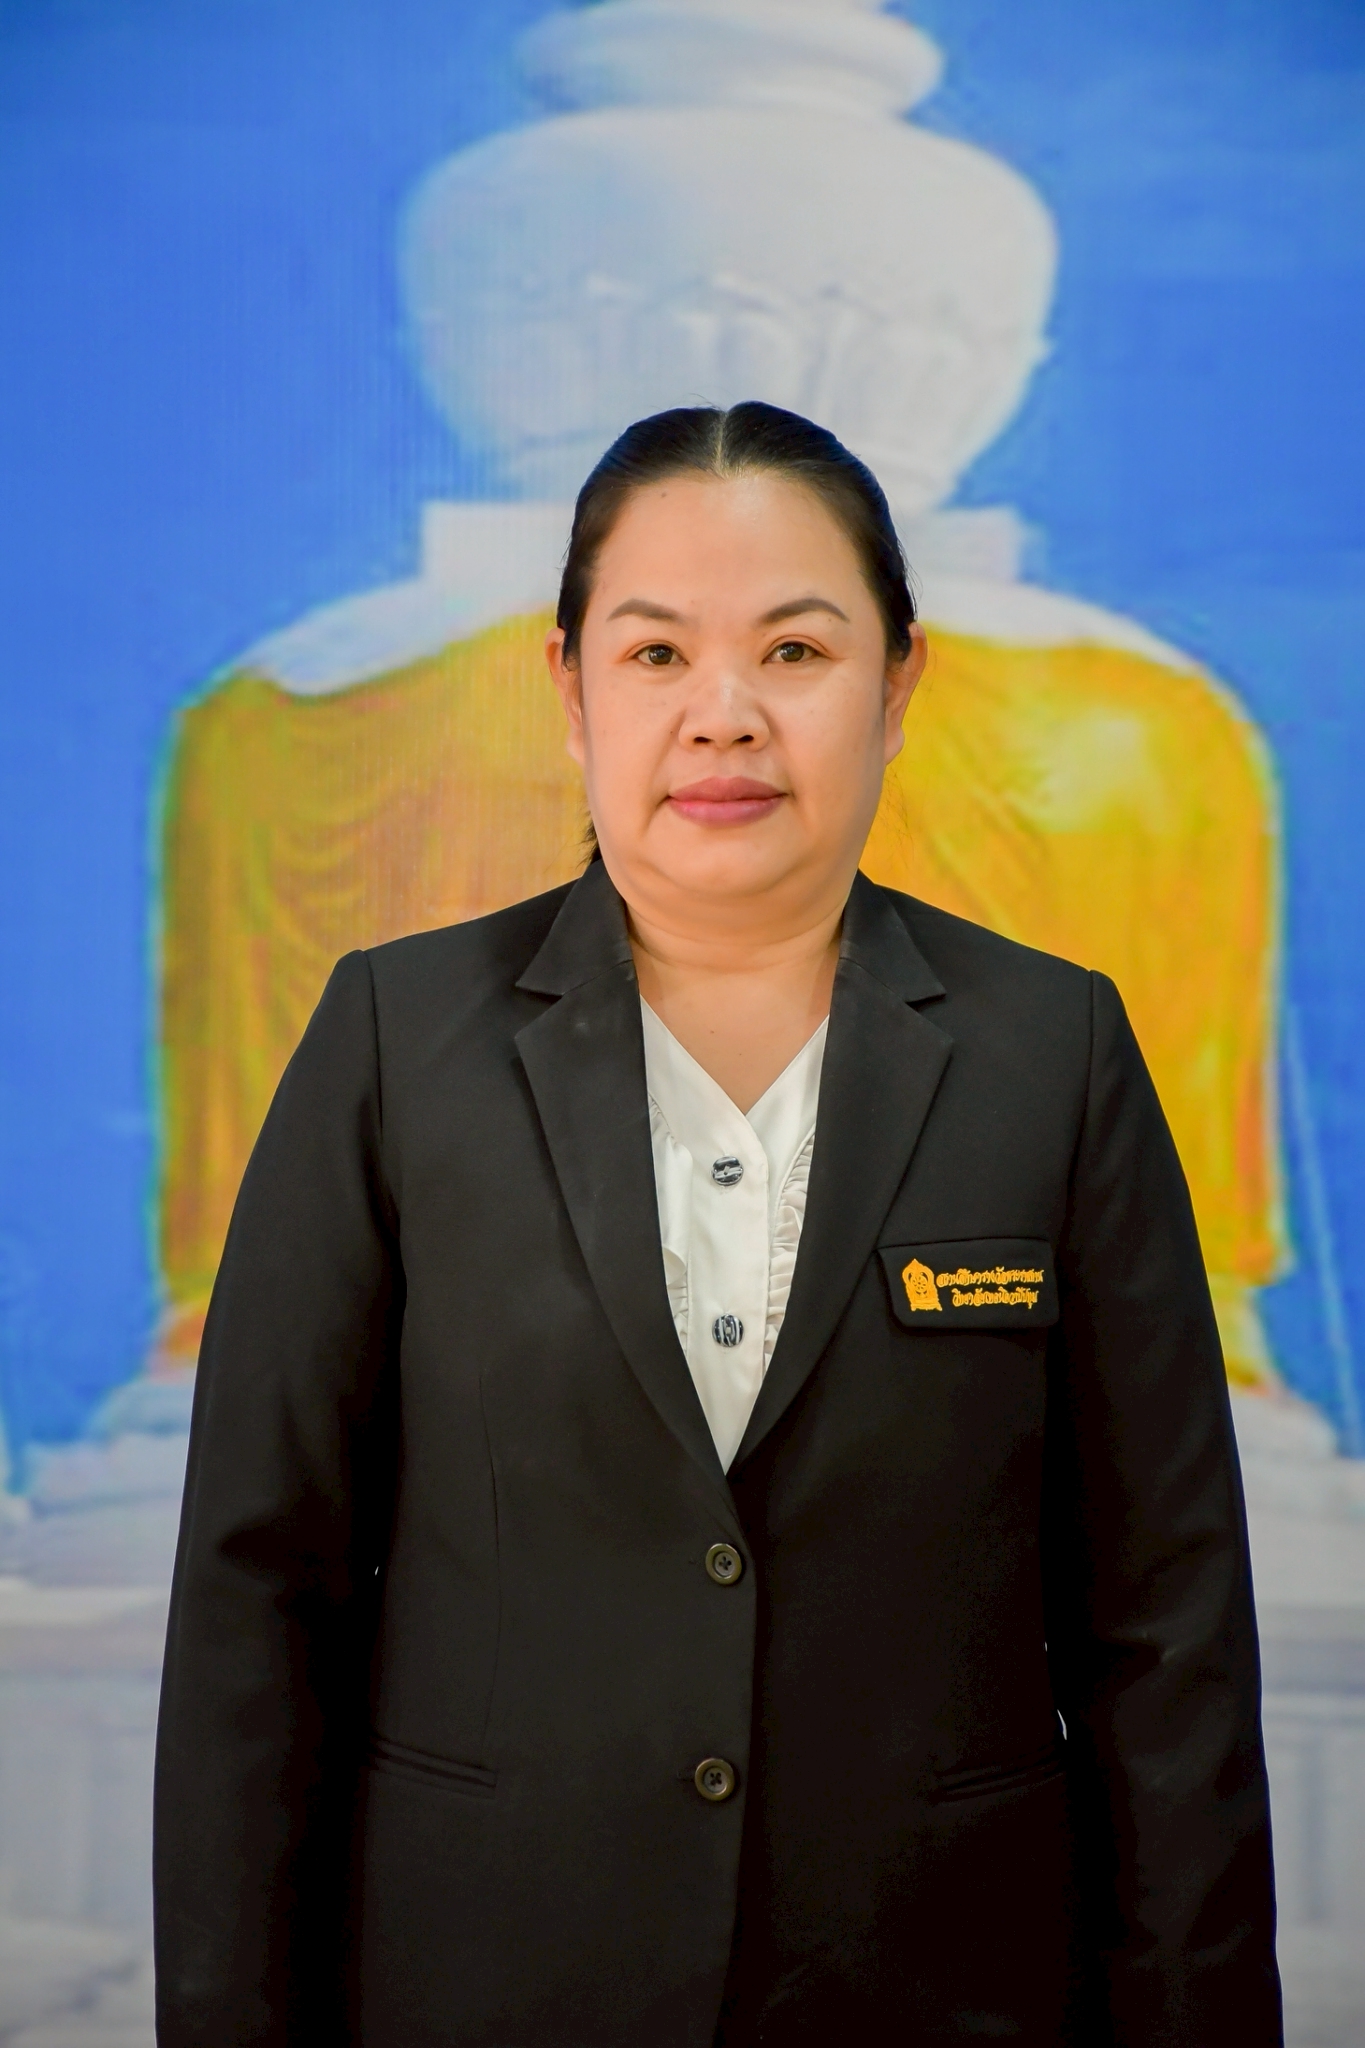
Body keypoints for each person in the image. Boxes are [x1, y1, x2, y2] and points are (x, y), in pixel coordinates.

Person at [154, 402, 1280, 2045]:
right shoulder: (395, 1045)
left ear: (899, 682)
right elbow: (260, 1598)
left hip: (936, 1993)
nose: (724, 714)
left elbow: (1163, 1632)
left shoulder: (1054, 1054)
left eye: (796, 651)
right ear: (569, 690)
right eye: (657, 654)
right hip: (485, 1989)